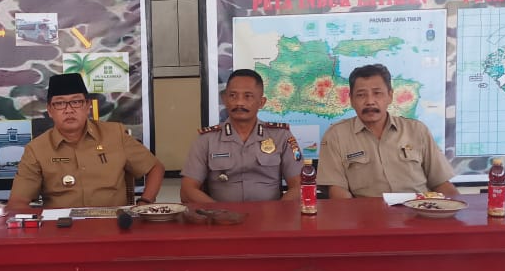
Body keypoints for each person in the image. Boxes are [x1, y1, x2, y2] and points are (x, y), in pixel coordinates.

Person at [7, 73, 165, 212]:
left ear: (88, 106)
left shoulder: (115, 135)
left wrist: (145, 203)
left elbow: (155, 168)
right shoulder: (36, 149)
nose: (69, 110)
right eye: (60, 103)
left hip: (113, 225)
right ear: (49, 110)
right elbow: (18, 202)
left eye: (76, 102)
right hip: (61, 228)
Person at [318, 63, 459, 198]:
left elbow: (441, 182)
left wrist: (458, 208)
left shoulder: (417, 130)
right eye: (361, 95)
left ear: (390, 96)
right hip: (367, 213)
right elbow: (337, 190)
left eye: (377, 93)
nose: (370, 101)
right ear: (351, 100)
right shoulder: (336, 136)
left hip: (419, 209)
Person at [180, 69, 302, 203]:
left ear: (261, 102)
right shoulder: (206, 140)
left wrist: (277, 211)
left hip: (270, 214)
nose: (239, 102)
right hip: (220, 214)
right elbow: (187, 190)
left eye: (248, 96)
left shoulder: (281, 136)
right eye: (233, 96)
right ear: (225, 99)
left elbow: (300, 185)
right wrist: (218, 212)